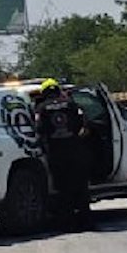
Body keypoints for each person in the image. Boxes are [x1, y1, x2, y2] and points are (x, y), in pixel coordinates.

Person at [32, 78, 93, 230]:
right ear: (58, 90)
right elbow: (83, 125)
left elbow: (39, 129)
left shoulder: (41, 108)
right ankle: (86, 221)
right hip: (75, 151)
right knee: (81, 187)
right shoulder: (71, 105)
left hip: (56, 153)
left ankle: (67, 223)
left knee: (63, 189)